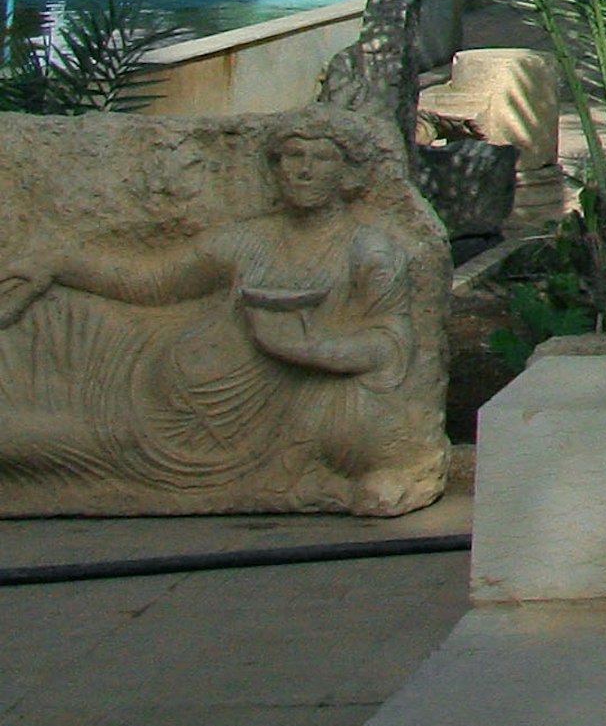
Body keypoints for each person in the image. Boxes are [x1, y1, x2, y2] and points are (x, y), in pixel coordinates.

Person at [0, 118, 441, 513]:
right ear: (274, 167)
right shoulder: (246, 240)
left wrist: (312, 349)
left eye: (321, 157)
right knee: (47, 313)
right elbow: (152, 281)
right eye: (292, 156)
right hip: (140, 380)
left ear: (348, 173)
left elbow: (390, 341)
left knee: (26, 438)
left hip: (215, 435)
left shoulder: (368, 249)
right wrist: (59, 263)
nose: (304, 169)